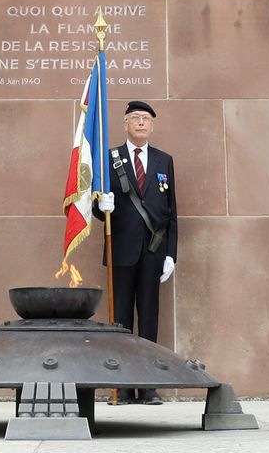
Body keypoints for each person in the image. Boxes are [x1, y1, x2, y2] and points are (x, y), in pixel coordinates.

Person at [95, 99, 178, 404]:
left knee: (149, 319)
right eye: (135, 118)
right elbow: (97, 203)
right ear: (125, 124)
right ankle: (122, 386)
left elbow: (171, 213)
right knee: (120, 322)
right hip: (121, 248)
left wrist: (171, 254)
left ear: (152, 126)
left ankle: (148, 385)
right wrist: (99, 206)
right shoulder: (109, 157)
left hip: (153, 251)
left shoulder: (163, 160)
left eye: (146, 118)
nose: (141, 122)